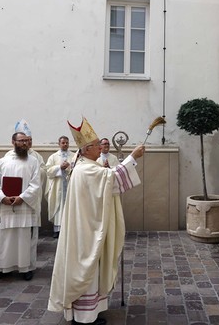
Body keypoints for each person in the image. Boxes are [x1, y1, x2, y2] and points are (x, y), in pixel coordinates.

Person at [48, 117, 145, 325]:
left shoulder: (85, 165)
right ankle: (84, 317)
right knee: (88, 266)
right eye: (98, 144)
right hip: (87, 231)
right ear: (88, 148)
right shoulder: (87, 169)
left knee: (90, 267)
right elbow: (112, 179)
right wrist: (133, 158)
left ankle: (89, 311)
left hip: (86, 226)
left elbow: (106, 178)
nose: (101, 146)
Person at [0, 131, 41, 282]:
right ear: (13, 142)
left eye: (26, 141)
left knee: (24, 238)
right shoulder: (2, 162)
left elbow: (36, 184)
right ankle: (3, 268)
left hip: (24, 206)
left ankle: (26, 268)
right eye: (21, 141)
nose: (24, 143)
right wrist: (2, 197)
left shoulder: (33, 161)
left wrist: (22, 197)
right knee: (5, 239)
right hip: (6, 207)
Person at [45, 135, 74, 238]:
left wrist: (69, 168)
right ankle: (57, 230)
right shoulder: (53, 157)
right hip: (58, 186)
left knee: (70, 207)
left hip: (70, 185)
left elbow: (78, 168)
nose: (65, 144)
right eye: (63, 143)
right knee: (58, 206)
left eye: (67, 142)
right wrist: (59, 167)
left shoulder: (74, 156)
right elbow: (47, 170)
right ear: (59, 144)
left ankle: (69, 229)